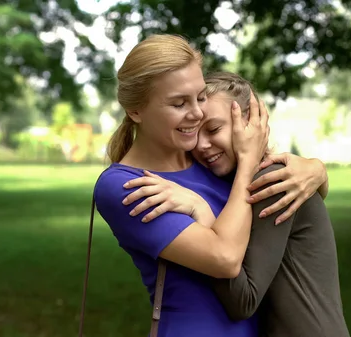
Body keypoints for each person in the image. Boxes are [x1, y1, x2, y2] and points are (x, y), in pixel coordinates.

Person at [93, 35, 329, 337]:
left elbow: (286, 214)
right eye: (179, 103)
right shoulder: (126, 186)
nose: (197, 113)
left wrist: (316, 171)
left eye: (200, 97)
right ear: (136, 110)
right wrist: (245, 164)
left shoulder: (209, 161)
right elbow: (226, 259)